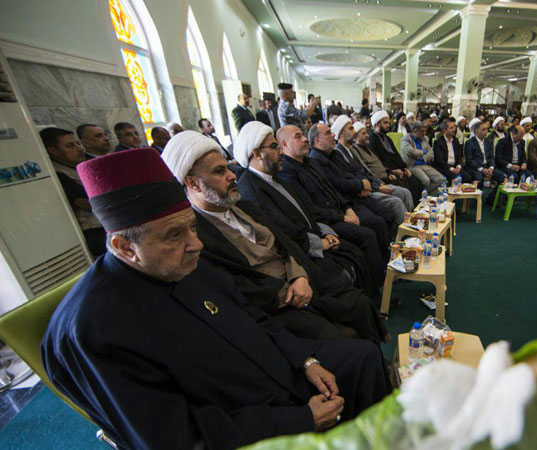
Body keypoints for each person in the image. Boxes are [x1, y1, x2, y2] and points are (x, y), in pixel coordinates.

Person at [42, 147, 390, 450]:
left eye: (193, 227)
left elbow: (253, 317)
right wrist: (300, 420)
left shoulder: (184, 264)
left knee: (362, 356)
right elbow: (174, 437)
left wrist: (306, 361)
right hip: (243, 415)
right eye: (175, 235)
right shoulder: (93, 331)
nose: (196, 244)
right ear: (124, 247)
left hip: (278, 371)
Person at [162, 130, 388, 343]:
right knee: (342, 341)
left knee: (359, 302)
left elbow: (284, 242)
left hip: (299, 275)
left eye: (227, 168)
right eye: (219, 171)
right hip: (276, 303)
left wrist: (299, 275)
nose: (232, 175)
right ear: (192, 183)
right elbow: (233, 285)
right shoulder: (197, 234)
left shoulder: (244, 207)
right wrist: (287, 290)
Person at [277, 125, 388, 287]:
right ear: (285, 145)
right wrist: (343, 217)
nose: (305, 139)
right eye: (298, 136)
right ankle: (379, 286)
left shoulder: (310, 162)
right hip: (327, 221)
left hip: (341, 211)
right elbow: (309, 208)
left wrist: (348, 209)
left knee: (377, 222)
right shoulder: (287, 171)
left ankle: (385, 269)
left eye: (303, 135)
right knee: (367, 235)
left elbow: (332, 190)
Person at [308, 122, 396, 249]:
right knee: (378, 223)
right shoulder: (316, 160)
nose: (333, 135)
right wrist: (360, 185)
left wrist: (364, 184)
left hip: (359, 194)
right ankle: (387, 257)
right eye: (328, 133)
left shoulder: (335, 153)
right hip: (349, 200)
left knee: (389, 213)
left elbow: (351, 172)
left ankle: (392, 248)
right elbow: (336, 184)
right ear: (318, 141)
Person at [327, 116, 408, 224]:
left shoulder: (351, 150)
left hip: (371, 185)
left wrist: (378, 183)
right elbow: (350, 177)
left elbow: (365, 171)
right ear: (342, 132)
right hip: (362, 192)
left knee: (404, 192)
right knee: (396, 203)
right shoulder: (338, 153)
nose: (354, 132)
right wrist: (373, 187)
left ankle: (411, 227)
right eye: (351, 128)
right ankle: (405, 232)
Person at [39, 127, 105, 256]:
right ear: (53, 151)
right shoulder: (58, 175)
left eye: (78, 143)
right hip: (94, 231)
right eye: (70, 146)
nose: (79, 149)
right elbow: (85, 203)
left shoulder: (83, 165)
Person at [349, 121, 415, 211]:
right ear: (355, 136)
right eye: (363, 134)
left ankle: (411, 216)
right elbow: (366, 170)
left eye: (366, 133)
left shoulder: (367, 147)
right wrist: (378, 185)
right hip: (377, 182)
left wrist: (389, 173)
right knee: (403, 194)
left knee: (407, 188)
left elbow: (379, 164)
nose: (367, 135)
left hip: (385, 178)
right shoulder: (355, 150)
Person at [368, 111, 423, 201]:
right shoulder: (372, 139)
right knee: (405, 188)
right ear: (377, 124)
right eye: (385, 123)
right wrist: (392, 171)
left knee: (417, 183)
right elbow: (377, 161)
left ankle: (417, 209)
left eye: (389, 123)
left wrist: (405, 168)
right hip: (388, 173)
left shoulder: (388, 138)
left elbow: (397, 155)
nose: (388, 125)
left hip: (399, 170)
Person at [399, 120, 445, 195]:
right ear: (415, 131)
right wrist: (424, 151)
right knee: (426, 181)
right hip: (412, 166)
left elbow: (431, 153)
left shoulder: (425, 139)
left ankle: (426, 195)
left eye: (425, 131)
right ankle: (423, 196)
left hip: (424, 163)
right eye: (422, 131)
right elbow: (411, 152)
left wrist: (423, 158)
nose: (425, 133)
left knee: (441, 179)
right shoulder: (405, 139)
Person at [464, 119, 504, 185]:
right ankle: (478, 191)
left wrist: (491, 168)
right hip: (476, 168)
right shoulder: (470, 143)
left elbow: (492, 157)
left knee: (501, 175)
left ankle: (494, 192)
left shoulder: (489, 141)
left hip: (487, 166)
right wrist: (482, 169)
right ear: (476, 131)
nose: (486, 131)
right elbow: (470, 160)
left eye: (486, 129)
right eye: (483, 130)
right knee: (479, 177)